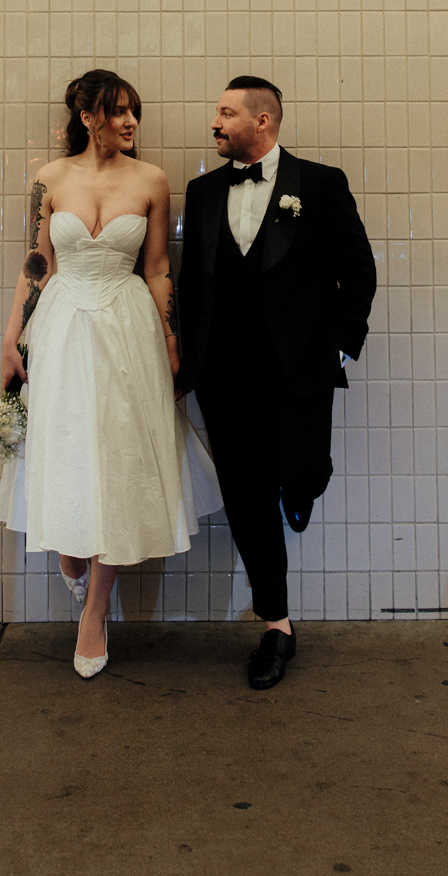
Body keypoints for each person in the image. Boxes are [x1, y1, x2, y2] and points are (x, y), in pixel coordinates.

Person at [0, 69, 220, 679]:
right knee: (67, 449)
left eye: (134, 114)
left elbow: (156, 270)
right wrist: (14, 333)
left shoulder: (151, 180)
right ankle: (72, 559)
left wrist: (170, 340)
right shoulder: (50, 179)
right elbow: (38, 260)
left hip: (127, 328)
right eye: (117, 112)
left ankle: (95, 613)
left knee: (120, 461)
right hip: (64, 325)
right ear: (88, 116)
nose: (129, 123)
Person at [176, 76, 376, 691]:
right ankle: (276, 626)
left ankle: (300, 485)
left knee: (303, 471)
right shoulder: (204, 191)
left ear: (262, 121)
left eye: (226, 113)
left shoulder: (320, 184)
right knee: (247, 500)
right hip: (225, 380)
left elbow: (358, 272)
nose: (215, 122)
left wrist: (337, 351)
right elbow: (190, 283)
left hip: (299, 375)